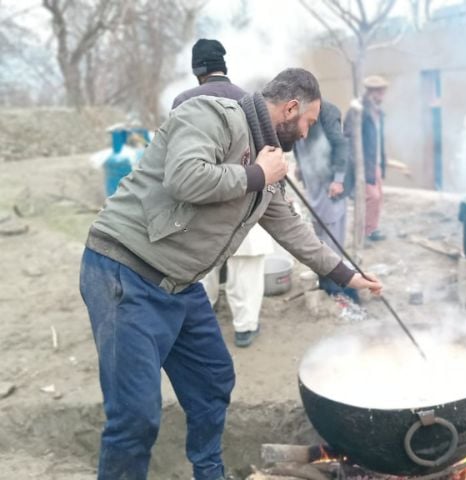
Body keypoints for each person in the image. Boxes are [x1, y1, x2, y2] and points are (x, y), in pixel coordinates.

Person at [79, 67, 382, 480]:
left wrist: (346, 275)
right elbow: (185, 178)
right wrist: (257, 174)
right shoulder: (211, 115)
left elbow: (290, 227)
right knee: (135, 417)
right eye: (309, 122)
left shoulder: (267, 158)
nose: (307, 133)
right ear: (291, 108)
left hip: (179, 284)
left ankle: (209, 473)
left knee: (212, 379)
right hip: (126, 272)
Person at [172, 38, 274, 348]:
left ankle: (205, 317)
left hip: (202, 204)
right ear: (223, 67)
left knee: (203, 269)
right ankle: (245, 327)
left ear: (197, 71)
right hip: (246, 198)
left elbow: (177, 160)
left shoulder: (183, 101)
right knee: (247, 266)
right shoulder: (250, 101)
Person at [293, 100, 359, 302]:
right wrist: (300, 165)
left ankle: (334, 280)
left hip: (331, 183)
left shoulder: (327, 112)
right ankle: (324, 273)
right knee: (319, 228)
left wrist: (338, 179)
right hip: (314, 179)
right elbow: (297, 142)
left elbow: (340, 144)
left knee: (332, 233)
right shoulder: (293, 107)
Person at [345, 75, 389, 241]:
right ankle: (363, 230)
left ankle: (372, 228)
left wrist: (382, 162)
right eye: (380, 92)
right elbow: (348, 137)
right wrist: (355, 164)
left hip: (374, 162)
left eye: (383, 92)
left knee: (378, 197)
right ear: (371, 92)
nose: (382, 96)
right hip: (363, 163)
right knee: (372, 197)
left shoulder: (378, 112)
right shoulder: (358, 111)